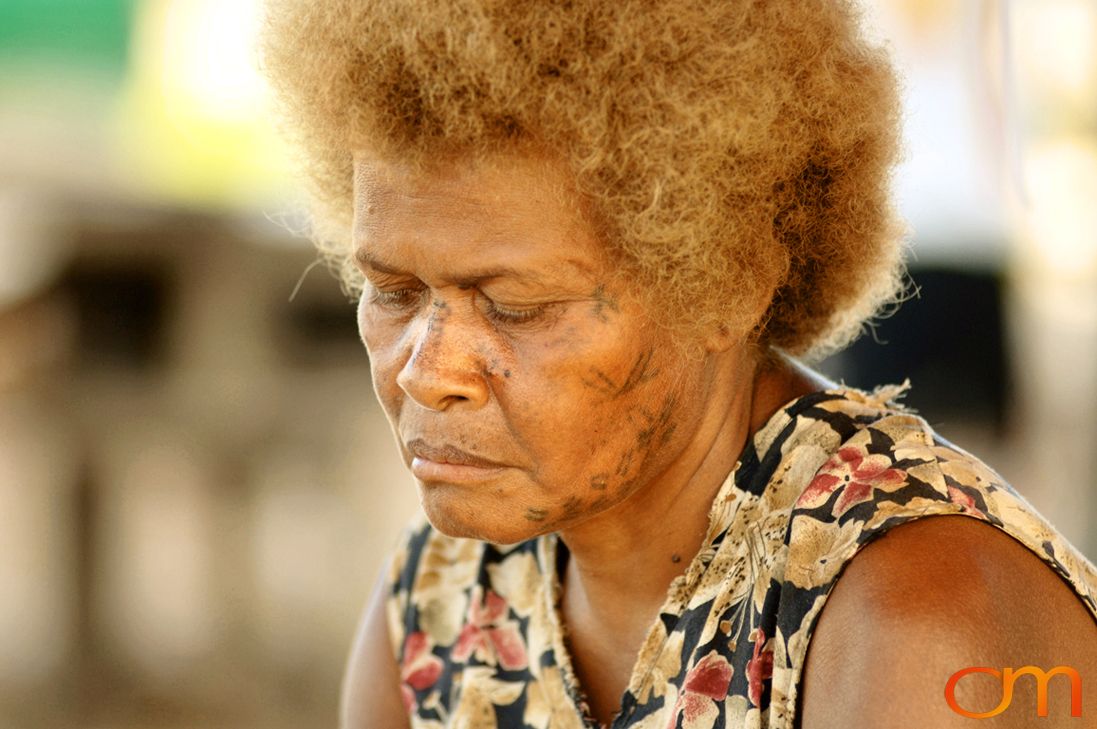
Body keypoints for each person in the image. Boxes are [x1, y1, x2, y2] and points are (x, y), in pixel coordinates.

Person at [261, 0, 1097, 726]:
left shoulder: (917, 613)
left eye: (515, 305)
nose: (424, 370)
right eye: (394, 291)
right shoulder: (435, 611)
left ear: (722, 280)